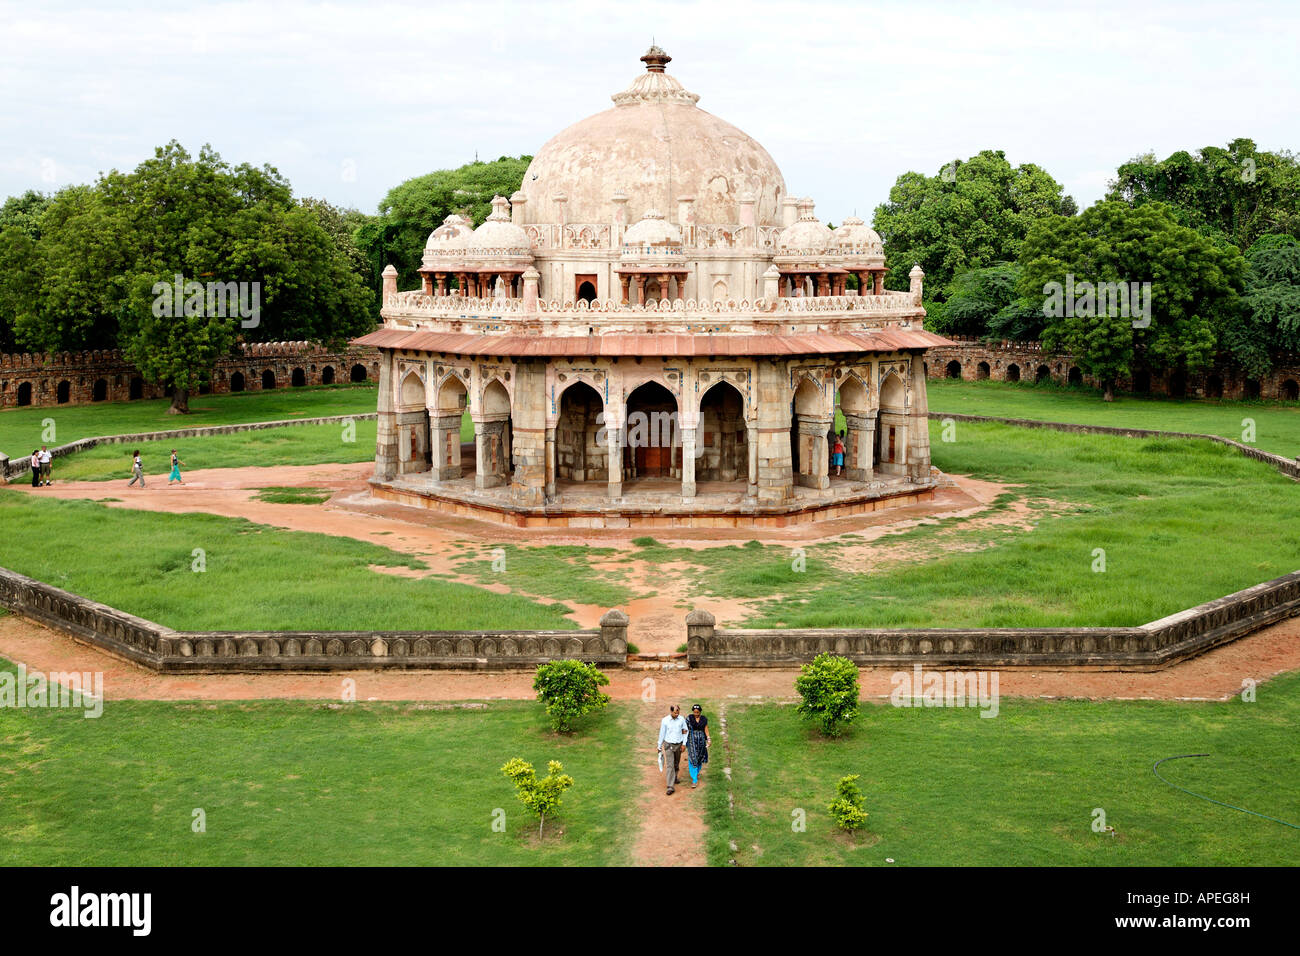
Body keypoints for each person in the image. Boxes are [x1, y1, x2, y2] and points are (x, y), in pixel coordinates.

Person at [656, 703, 689, 795]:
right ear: (671, 711)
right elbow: (662, 734)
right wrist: (659, 746)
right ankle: (670, 786)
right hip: (668, 745)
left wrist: (684, 744)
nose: (677, 714)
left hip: (678, 745)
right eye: (675, 713)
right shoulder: (665, 721)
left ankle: (674, 777)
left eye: (678, 712)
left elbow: (685, 732)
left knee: (676, 763)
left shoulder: (682, 719)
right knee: (670, 765)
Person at [685, 703, 711, 788]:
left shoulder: (704, 719)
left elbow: (706, 729)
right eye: (694, 712)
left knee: (699, 758)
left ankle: (696, 773)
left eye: (697, 712)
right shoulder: (689, 718)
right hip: (692, 741)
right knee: (693, 758)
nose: (696, 714)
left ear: (700, 712)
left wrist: (709, 738)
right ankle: (694, 780)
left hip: (701, 742)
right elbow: (685, 730)